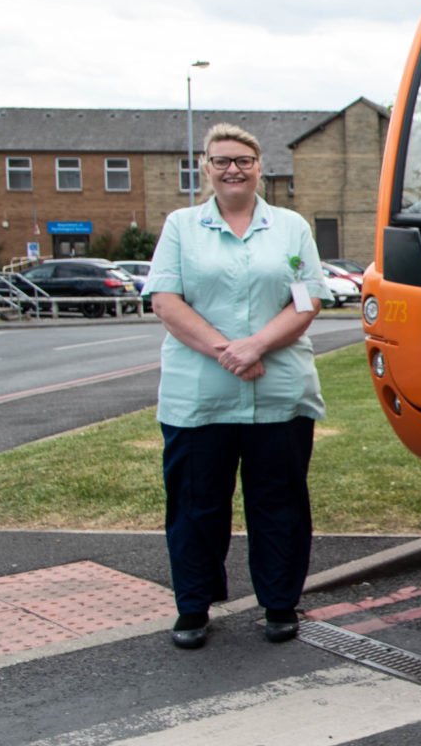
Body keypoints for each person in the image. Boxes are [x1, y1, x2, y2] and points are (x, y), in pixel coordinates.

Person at [144, 123, 330, 650]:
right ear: (205, 166)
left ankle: (279, 604)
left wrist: (256, 347)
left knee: (280, 504)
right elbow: (165, 301)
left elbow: (307, 298)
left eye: (243, 161)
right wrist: (228, 351)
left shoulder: (291, 228)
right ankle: (193, 608)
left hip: (278, 394)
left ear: (259, 168)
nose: (233, 169)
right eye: (222, 160)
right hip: (200, 397)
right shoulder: (181, 227)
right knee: (196, 506)